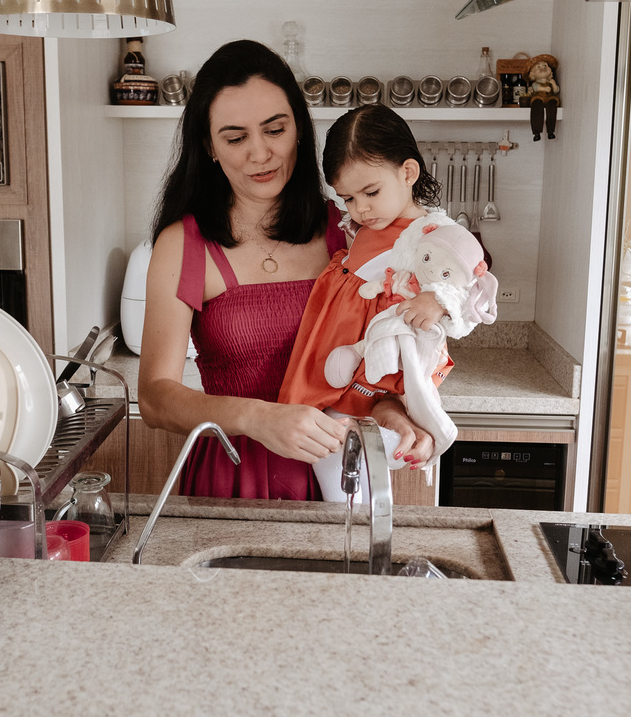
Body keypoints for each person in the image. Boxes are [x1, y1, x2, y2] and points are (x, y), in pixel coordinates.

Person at [138, 40, 433, 500]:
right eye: (235, 138)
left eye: (275, 130)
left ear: (299, 129)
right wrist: (257, 418)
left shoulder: (348, 232)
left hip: (335, 473)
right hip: (231, 478)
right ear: (209, 147)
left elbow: (373, 360)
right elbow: (155, 397)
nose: (260, 154)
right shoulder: (183, 244)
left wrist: (390, 409)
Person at [278, 104, 494, 500]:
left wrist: (438, 300)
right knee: (340, 467)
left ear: (407, 173)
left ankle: (360, 546)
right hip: (339, 361)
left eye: (370, 192)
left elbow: (473, 286)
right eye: (347, 198)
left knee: (352, 478)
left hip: (379, 367)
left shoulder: (434, 234)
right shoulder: (362, 225)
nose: (360, 208)